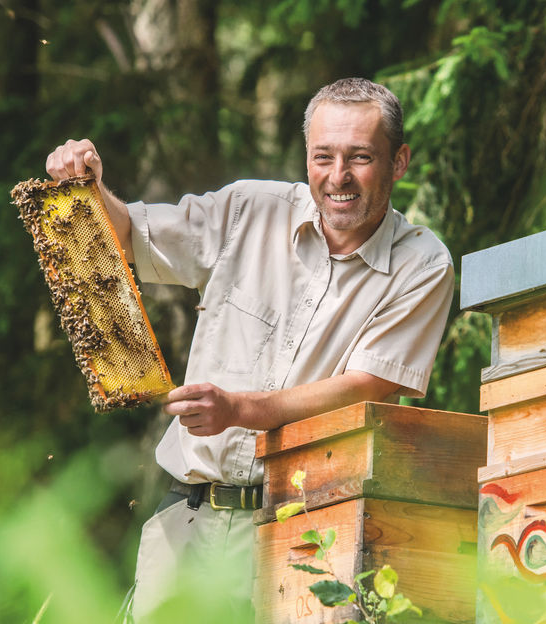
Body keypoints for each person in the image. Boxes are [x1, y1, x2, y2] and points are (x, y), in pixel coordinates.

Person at [45, 77, 454, 619]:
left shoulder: (422, 264)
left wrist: (239, 410)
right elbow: (128, 236)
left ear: (398, 162)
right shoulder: (248, 210)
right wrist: (88, 189)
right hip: (188, 520)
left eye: (361, 158)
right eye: (323, 157)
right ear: (306, 157)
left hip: (307, 530)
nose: (339, 177)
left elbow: (366, 387)